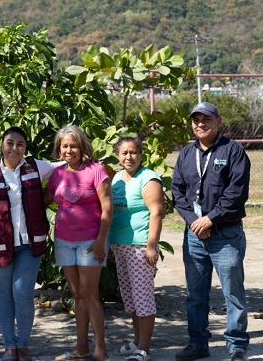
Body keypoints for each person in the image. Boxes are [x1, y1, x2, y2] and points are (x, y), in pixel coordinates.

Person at [172, 102, 251, 361]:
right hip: (194, 235)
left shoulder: (233, 150)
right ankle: (198, 343)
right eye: (195, 120)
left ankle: (236, 345)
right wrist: (195, 221)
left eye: (206, 119)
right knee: (195, 294)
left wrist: (209, 219)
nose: (200, 124)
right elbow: (178, 192)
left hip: (225, 235)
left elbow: (236, 193)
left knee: (233, 293)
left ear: (218, 121)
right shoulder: (185, 153)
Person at [0, 126, 60, 361]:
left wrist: (89, 161)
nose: (15, 148)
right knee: (4, 294)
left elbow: (61, 168)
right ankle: (9, 347)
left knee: (23, 293)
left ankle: (23, 346)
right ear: (2, 144)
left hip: (29, 243)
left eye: (20, 144)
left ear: (26, 147)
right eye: (10, 143)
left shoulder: (35, 167)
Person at [43, 124, 113, 361]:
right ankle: (81, 348)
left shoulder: (96, 170)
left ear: (82, 147)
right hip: (63, 240)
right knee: (76, 294)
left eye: (73, 146)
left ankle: (100, 351)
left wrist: (101, 240)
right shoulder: (58, 173)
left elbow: (107, 208)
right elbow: (44, 199)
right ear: (59, 149)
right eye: (65, 146)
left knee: (89, 293)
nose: (69, 150)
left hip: (90, 241)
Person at [109, 137, 165, 361]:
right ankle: (136, 341)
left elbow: (157, 212)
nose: (128, 157)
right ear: (118, 156)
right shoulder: (116, 178)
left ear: (141, 154)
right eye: (124, 153)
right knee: (130, 298)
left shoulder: (148, 178)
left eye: (133, 152)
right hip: (120, 244)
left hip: (140, 244)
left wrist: (152, 244)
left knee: (143, 297)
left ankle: (145, 347)